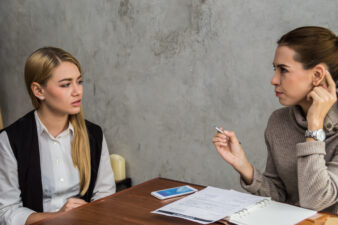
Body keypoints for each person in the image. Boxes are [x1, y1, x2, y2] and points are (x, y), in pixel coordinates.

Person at [212, 26, 338, 213]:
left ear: (317, 75)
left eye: (283, 70)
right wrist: (244, 166)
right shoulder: (279, 121)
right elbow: (280, 196)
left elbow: (315, 200)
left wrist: (314, 127)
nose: (274, 80)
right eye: (275, 69)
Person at [0, 47, 116, 225]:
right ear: (39, 91)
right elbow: (6, 211)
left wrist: (86, 214)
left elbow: (105, 196)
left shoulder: (94, 134)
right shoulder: (10, 140)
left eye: (79, 81)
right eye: (65, 84)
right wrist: (57, 217)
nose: (77, 91)